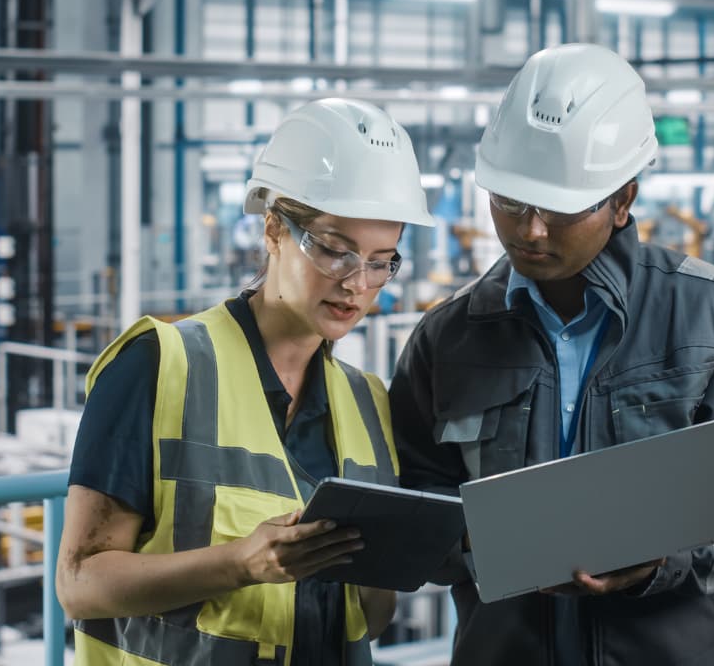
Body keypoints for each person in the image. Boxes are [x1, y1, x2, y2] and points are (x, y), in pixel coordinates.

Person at [389, 43, 714, 666]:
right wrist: (481, 548)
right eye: (509, 201)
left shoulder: (713, 313)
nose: (530, 230)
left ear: (622, 201)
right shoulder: (448, 337)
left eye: (560, 209)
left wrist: (661, 564)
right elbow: (415, 498)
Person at [58, 98, 436, 666]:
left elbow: (372, 617)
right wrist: (242, 564)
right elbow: (80, 583)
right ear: (272, 230)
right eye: (336, 251)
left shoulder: (367, 402)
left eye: (381, 261)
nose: (358, 283)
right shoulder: (159, 365)